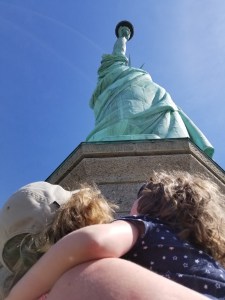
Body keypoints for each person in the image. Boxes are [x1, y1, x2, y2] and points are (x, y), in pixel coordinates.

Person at [2, 172, 225, 299]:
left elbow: (92, 242)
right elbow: (90, 242)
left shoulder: (143, 227)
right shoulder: (191, 250)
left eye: (141, 193)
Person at [86, 21, 214, 158]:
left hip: (150, 96)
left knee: (166, 105)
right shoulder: (115, 68)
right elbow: (119, 50)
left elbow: (118, 51)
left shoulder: (112, 70)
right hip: (152, 97)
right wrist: (123, 36)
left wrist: (123, 36)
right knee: (168, 107)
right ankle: (175, 140)